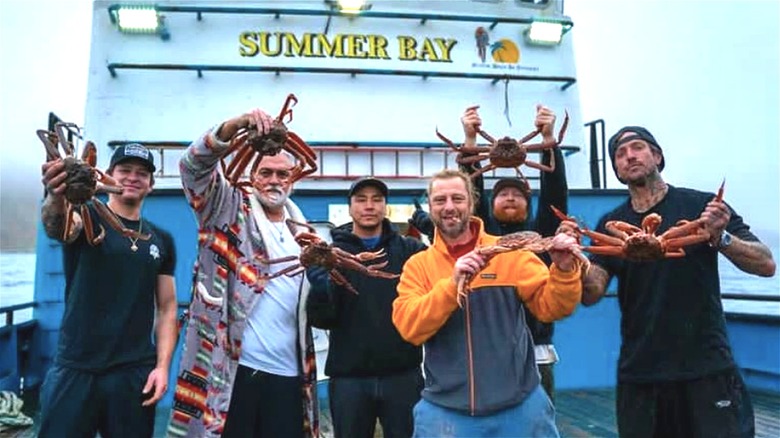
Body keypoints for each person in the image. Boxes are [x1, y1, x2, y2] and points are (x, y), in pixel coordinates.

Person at [580, 126, 776, 438]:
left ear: (656, 155)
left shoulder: (703, 208)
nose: (630, 155)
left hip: (706, 365)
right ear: (617, 169)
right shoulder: (611, 225)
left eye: (638, 147)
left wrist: (720, 237)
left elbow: (766, 265)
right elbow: (592, 292)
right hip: (641, 372)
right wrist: (571, 262)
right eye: (620, 153)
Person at [392, 169, 583, 438]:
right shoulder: (418, 266)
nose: (449, 207)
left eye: (458, 198)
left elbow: (552, 308)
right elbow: (410, 328)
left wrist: (563, 271)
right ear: (430, 207)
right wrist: (451, 284)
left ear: (472, 202)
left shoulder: (510, 253)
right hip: (445, 412)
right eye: (440, 200)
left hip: (520, 408)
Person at [169, 109, 319, 438]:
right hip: (231, 370)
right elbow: (192, 167)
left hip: (290, 373)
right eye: (266, 172)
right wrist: (234, 125)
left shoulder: (307, 233)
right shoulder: (226, 208)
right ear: (252, 177)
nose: (275, 181)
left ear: (293, 179)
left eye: (283, 174)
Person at [409, 104, 568, 401]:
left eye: (518, 194)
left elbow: (555, 197)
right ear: (487, 203)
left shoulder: (542, 239)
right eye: (503, 193)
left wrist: (549, 141)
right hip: (481, 353)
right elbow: (470, 194)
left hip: (536, 352)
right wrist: (469, 143)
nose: (510, 197)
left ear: (528, 203)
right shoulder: (480, 240)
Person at [39, 143, 177, 437]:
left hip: (133, 372)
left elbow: (166, 307)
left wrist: (163, 367)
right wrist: (55, 195)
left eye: (142, 173)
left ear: (151, 185)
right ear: (106, 176)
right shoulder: (84, 215)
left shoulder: (162, 239)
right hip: (76, 366)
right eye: (124, 170)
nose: (132, 177)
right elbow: (58, 226)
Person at [306, 177, 426, 438]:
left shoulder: (411, 251)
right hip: (350, 378)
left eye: (377, 199)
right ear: (350, 208)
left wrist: (434, 230)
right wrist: (320, 291)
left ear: (386, 207)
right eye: (361, 200)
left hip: (403, 376)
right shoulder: (332, 254)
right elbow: (321, 319)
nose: (369, 206)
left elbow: (445, 270)